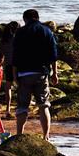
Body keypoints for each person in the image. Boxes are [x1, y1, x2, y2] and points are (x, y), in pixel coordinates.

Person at [11, 9, 58, 140]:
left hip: (24, 73)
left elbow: (15, 55)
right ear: (37, 17)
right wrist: (55, 73)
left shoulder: (20, 32)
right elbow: (53, 55)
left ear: (25, 19)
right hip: (41, 73)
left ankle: (19, 135)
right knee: (43, 105)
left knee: (22, 107)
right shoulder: (47, 31)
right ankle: (46, 136)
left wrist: (14, 75)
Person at [0, 21, 19, 117]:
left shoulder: (4, 40)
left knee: (8, 87)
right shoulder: (18, 39)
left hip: (8, 65)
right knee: (22, 85)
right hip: (18, 64)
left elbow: (2, 54)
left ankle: (8, 108)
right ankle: (21, 105)